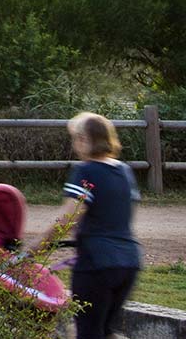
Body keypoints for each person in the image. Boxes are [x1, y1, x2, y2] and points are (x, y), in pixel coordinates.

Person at [33, 111, 140, 339]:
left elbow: (68, 218)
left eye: (75, 138)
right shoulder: (125, 171)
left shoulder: (86, 171)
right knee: (107, 331)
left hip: (96, 264)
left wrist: (37, 245)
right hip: (129, 262)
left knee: (89, 333)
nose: (74, 144)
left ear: (83, 139)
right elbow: (122, 213)